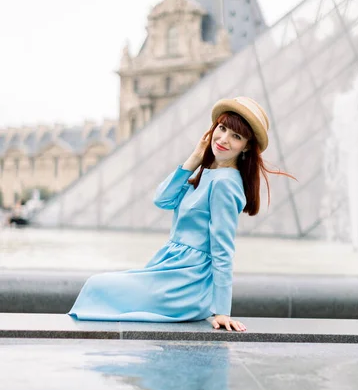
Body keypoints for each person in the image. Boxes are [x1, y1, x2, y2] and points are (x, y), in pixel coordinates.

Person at [68, 96, 295, 332]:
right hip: (171, 270)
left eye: (236, 136)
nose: (224, 139)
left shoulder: (225, 184)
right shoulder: (208, 173)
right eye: (222, 128)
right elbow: (163, 199)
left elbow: (223, 249)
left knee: (97, 286)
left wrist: (222, 312)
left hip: (187, 284)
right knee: (99, 287)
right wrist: (194, 159)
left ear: (246, 146)